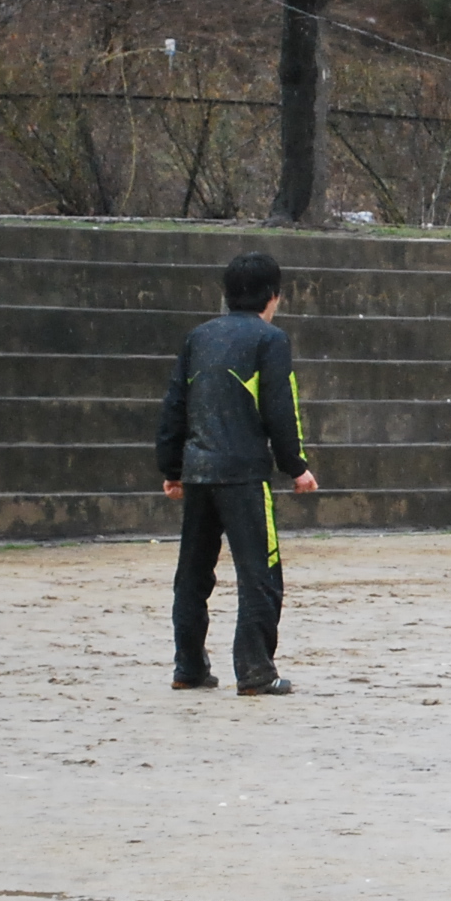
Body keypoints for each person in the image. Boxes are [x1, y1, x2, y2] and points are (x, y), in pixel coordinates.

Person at [156, 250, 317, 696]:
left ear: (226, 294)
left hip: (198, 471)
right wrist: (296, 466)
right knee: (259, 573)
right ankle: (256, 671)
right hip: (244, 476)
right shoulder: (271, 340)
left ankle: (188, 667)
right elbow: (281, 408)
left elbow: (175, 405)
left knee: (193, 575)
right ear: (274, 295)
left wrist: (172, 467)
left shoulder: (198, 337)